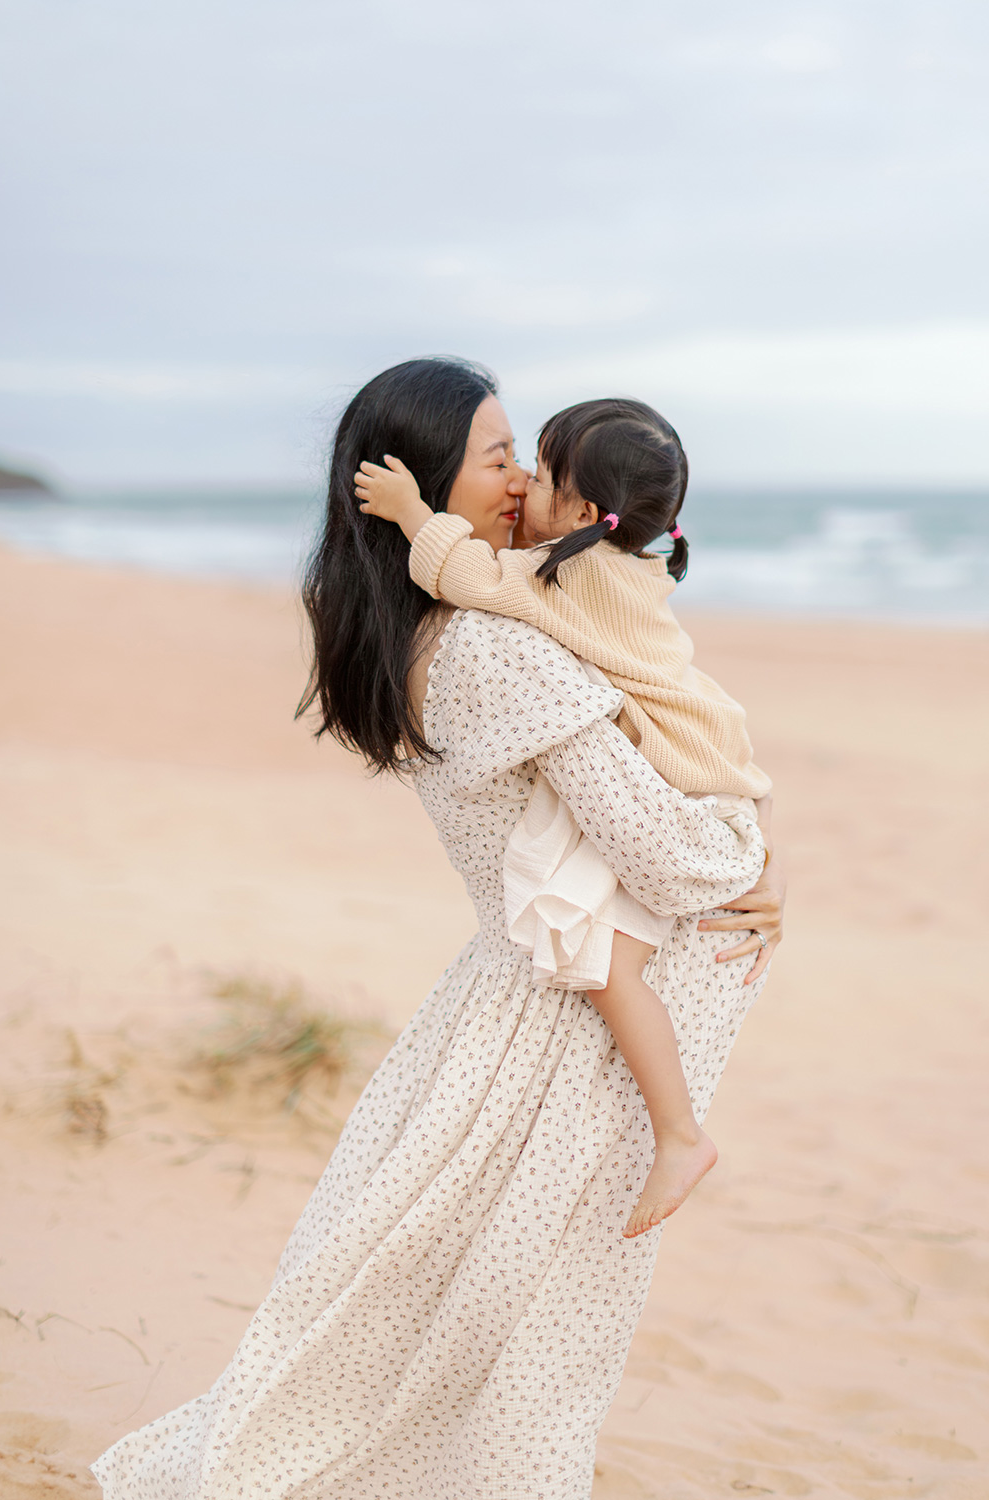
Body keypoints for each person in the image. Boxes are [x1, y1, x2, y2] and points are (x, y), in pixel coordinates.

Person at [91, 358, 784, 1500]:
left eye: (523, 456)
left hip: (514, 997)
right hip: (558, 1037)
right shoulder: (495, 649)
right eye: (500, 457)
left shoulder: (443, 626)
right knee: (535, 1336)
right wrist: (753, 865)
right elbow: (662, 851)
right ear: (428, 485)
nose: (521, 482)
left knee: (429, 1306)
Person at [353, 396, 773, 1238]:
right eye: (503, 460)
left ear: (584, 513)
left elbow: (465, 575)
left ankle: (680, 1134)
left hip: (687, 770)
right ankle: (679, 1132)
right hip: (710, 756)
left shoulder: (561, 576)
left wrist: (412, 516)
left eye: (537, 471)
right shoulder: (626, 566)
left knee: (612, 971)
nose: (522, 484)